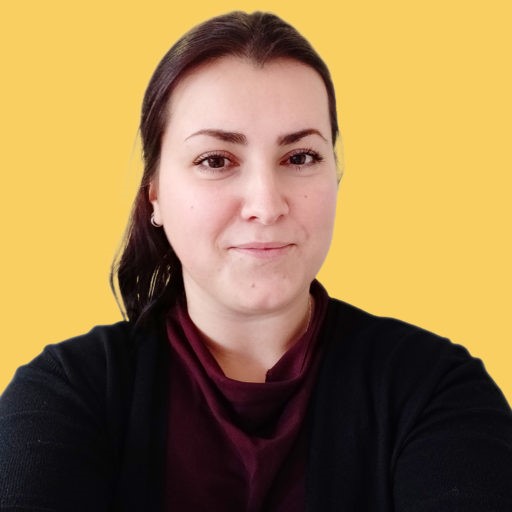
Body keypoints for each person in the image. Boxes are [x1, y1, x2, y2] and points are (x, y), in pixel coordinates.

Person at [0, 11, 511, 512]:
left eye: (300, 157)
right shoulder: (65, 392)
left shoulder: (436, 388)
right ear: (154, 192)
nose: (266, 206)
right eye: (215, 160)